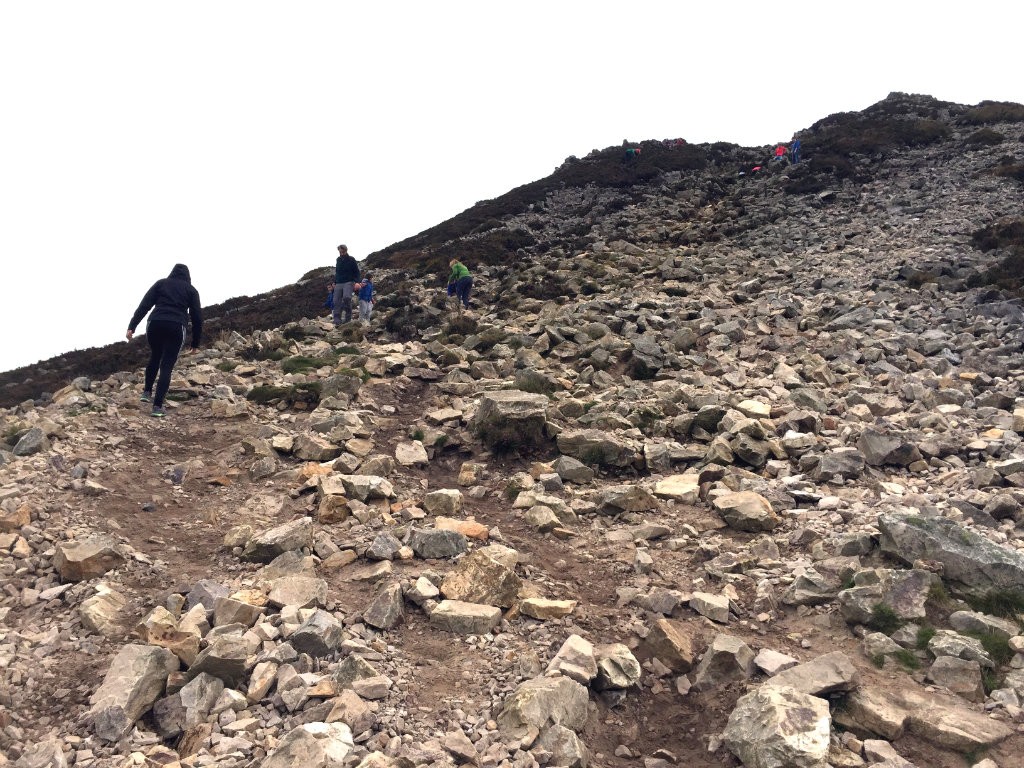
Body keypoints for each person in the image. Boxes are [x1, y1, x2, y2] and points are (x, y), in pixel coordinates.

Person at [126, 263, 202, 418]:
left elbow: (144, 305)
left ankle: (146, 392)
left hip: (155, 323)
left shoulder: (161, 283)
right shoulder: (191, 290)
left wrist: (132, 326)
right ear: (188, 277)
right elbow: (197, 317)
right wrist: (195, 343)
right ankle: (157, 406)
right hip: (176, 326)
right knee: (166, 365)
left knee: (155, 355)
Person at [333, 244, 360, 325]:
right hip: (339, 282)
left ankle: (348, 318)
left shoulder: (351, 259)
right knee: (336, 300)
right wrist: (334, 282)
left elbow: (357, 272)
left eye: (343, 251)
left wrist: (357, 282)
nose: (341, 253)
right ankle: (337, 319)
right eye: (340, 252)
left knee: (347, 297)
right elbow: (337, 272)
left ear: (346, 250)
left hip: (349, 281)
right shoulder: (338, 260)